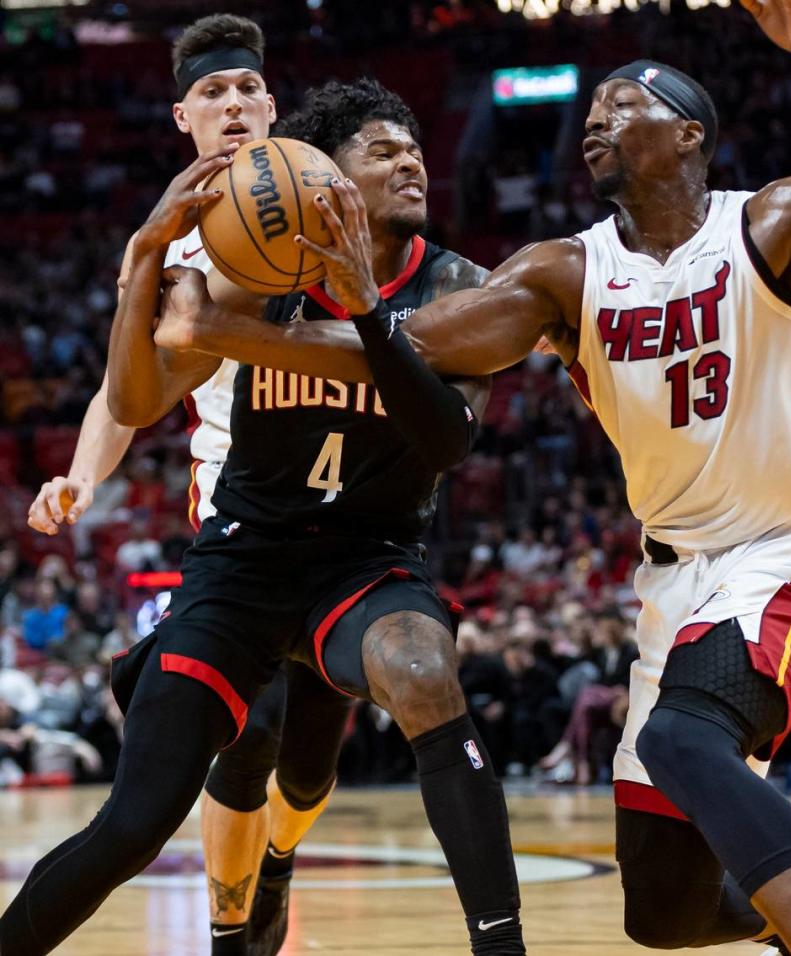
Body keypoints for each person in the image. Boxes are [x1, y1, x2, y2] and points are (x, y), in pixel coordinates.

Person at [159, 0, 791, 951]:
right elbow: (405, 344)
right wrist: (226, 335)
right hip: (675, 579)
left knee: (679, 740)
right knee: (661, 913)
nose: (596, 122)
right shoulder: (563, 275)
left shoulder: (774, 222)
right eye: (591, 116)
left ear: (689, 132)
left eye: (623, 105)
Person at [1, 74, 527, 956]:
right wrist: (145, 256)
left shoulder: (463, 286)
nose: (411, 161)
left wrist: (363, 307)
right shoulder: (255, 279)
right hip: (243, 561)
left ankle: (501, 946)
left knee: (422, 673)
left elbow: (446, 441)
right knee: (134, 823)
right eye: (382, 150)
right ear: (323, 178)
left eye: (414, 147)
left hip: (369, 561)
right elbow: (132, 398)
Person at [22, 16, 351, 956]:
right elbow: (122, 400)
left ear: (274, 106)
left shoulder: (327, 193)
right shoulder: (170, 252)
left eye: (248, 87)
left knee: (314, 762)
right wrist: (81, 476)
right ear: (182, 119)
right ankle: (229, 926)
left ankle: (278, 860)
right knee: (248, 738)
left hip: (350, 510)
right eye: (213, 93)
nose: (234, 103)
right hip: (240, 514)